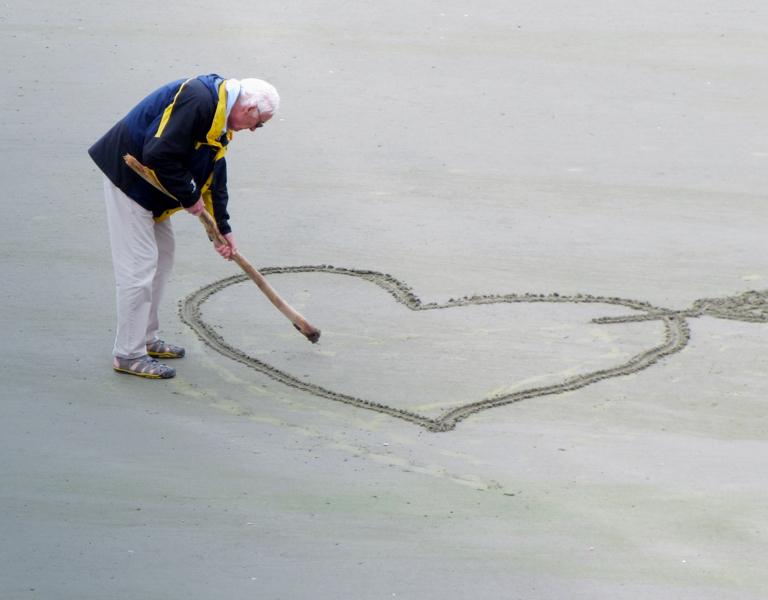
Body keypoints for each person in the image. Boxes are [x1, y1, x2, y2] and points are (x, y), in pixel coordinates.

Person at [89, 74, 279, 379]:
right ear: (249, 110)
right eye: (259, 123)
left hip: (152, 190)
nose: (254, 130)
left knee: (163, 256)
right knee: (139, 269)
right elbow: (157, 153)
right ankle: (128, 353)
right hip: (128, 180)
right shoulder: (199, 99)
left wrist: (222, 228)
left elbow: (213, 172)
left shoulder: (220, 119)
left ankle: (146, 339)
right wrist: (189, 197)